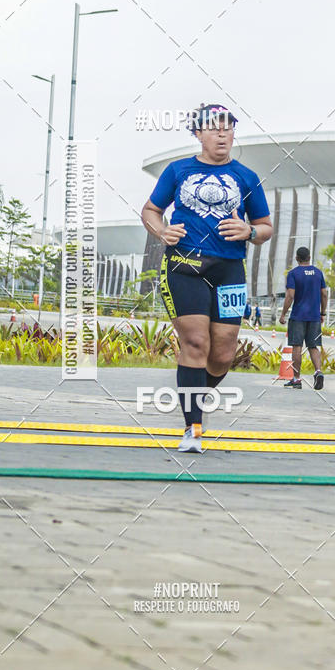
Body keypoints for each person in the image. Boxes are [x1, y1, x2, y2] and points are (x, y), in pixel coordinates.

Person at [141, 103, 272, 453]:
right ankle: (193, 428)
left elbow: (266, 228)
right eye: (214, 128)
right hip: (184, 264)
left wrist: (248, 230)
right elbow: (151, 210)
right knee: (196, 343)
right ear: (198, 134)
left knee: (223, 354)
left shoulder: (246, 177)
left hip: (229, 268)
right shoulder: (178, 170)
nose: (222, 134)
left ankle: (193, 394)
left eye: (228, 128)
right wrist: (161, 231)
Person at [279, 246, 327, 390]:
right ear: (309, 257)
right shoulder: (318, 273)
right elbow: (324, 294)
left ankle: (296, 379)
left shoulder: (293, 274)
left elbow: (290, 295)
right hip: (314, 317)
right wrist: (322, 313)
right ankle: (318, 371)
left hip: (298, 316)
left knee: (297, 347)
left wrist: (283, 314)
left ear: (297, 258)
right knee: (313, 346)